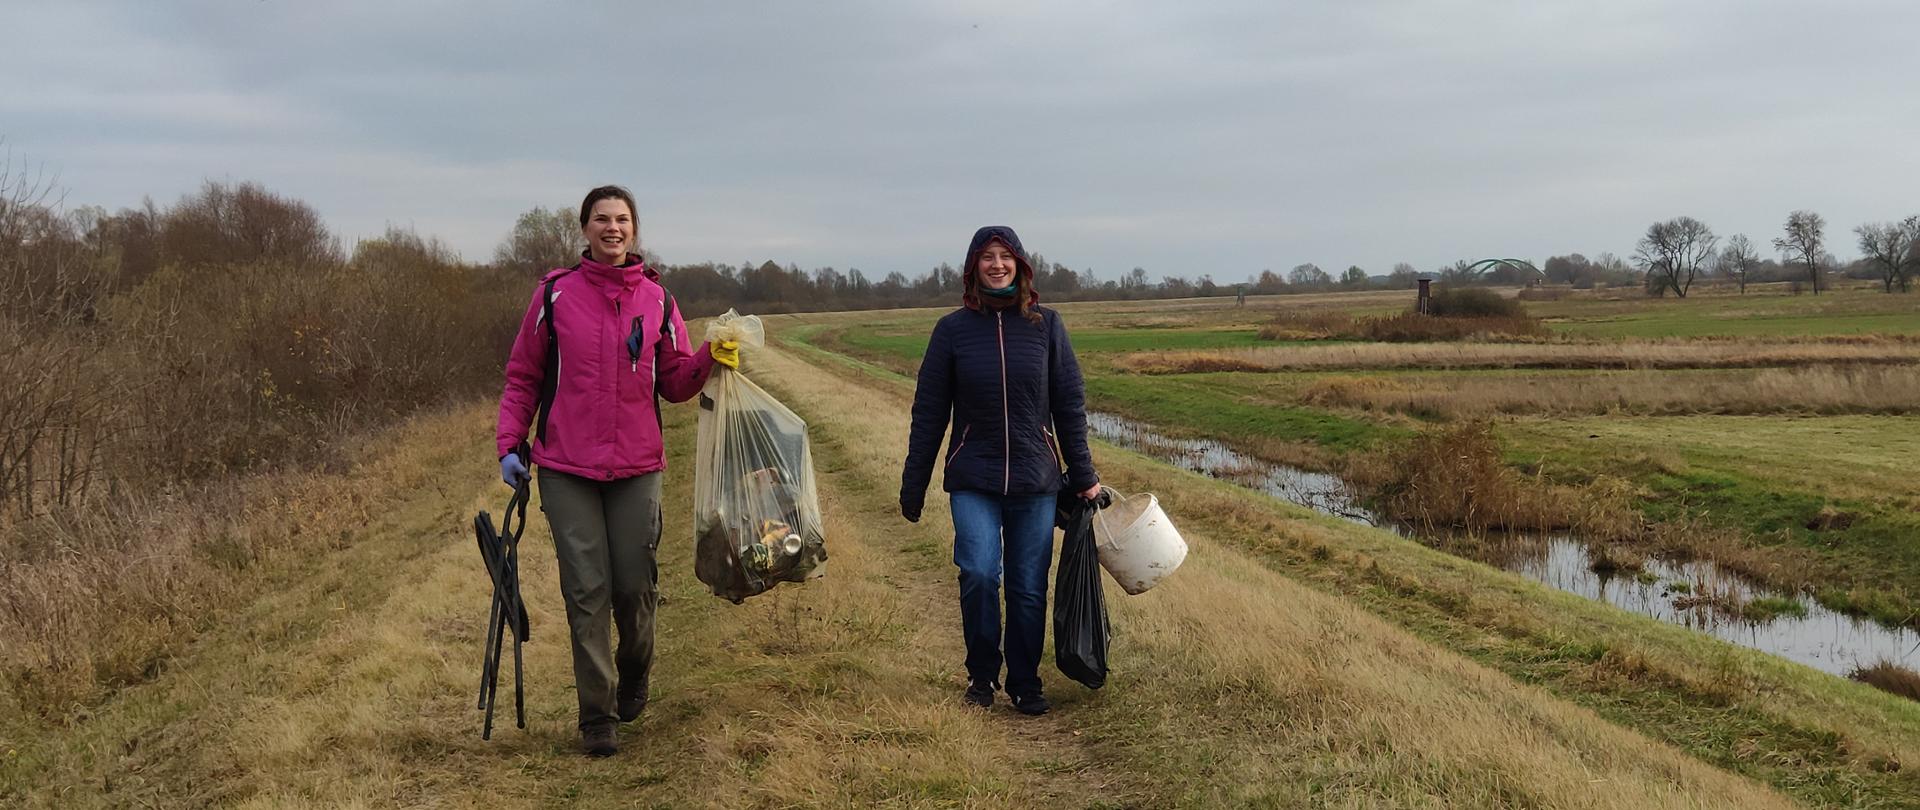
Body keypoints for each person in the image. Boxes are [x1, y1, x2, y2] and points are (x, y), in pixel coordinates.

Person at [495, 185, 740, 757]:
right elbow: (523, 375)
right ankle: (596, 715)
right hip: (565, 466)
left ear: (635, 229)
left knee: (634, 589)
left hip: (636, 467)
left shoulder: (658, 299)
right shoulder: (554, 296)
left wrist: (709, 357)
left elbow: (676, 383)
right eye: (601, 219)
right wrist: (511, 443)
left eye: (622, 219)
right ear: (584, 229)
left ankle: (634, 672)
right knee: (586, 591)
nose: (612, 228)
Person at [899, 225, 1101, 716]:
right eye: (986, 257)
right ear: (973, 268)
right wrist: (914, 482)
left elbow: (1069, 406)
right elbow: (929, 412)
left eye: (1005, 256)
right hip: (974, 478)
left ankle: (1026, 681)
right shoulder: (951, 331)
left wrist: (1084, 474)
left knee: (1028, 586)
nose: (996, 264)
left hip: (1036, 480)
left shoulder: (1047, 326)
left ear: (1021, 265)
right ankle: (982, 676)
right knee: (977, 573)